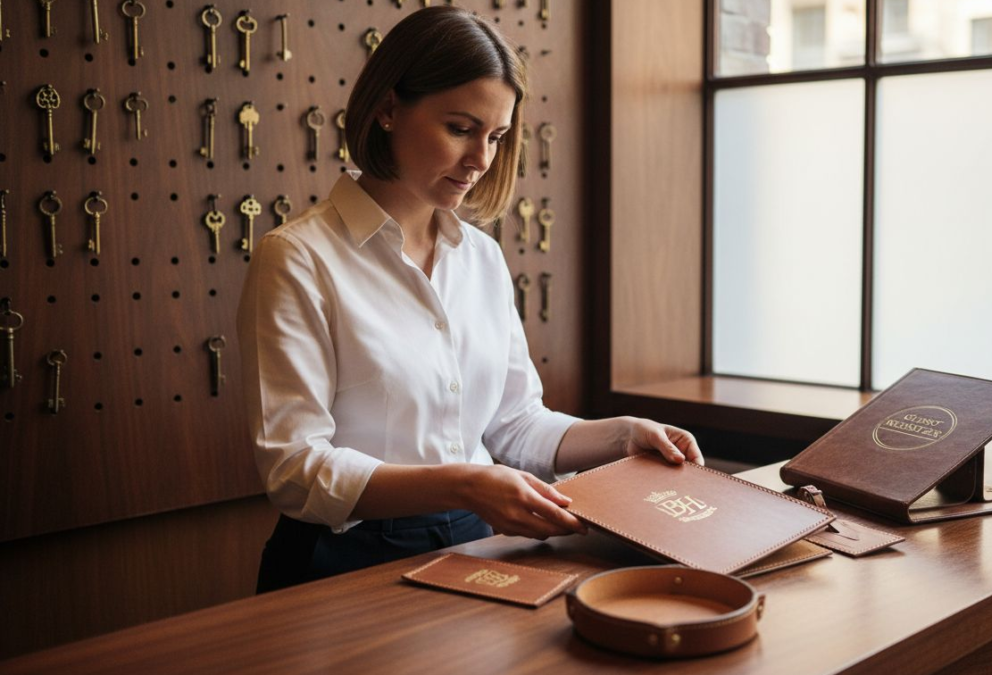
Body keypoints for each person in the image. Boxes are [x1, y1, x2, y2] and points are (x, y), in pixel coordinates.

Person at [237, 6, 702, 594]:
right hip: (339, 558)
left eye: (497, 137)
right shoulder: (297, 258)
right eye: (460, 129)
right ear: (387, 109)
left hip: (475, 542)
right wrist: (463, 485)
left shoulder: (481, 257)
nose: (482, 160)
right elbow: (294, 469)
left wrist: (622, 436)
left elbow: (515, 423)